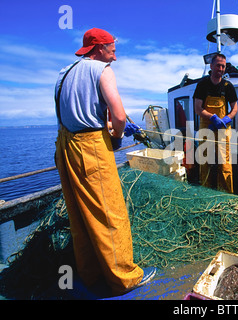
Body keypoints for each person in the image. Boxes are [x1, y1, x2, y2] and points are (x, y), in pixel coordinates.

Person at [54, 28, 156, 295]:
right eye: (112, 49)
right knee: (110, 212)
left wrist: (107, 123)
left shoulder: (63, 73)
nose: (115, 56)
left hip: (65, 147)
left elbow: (77, 113)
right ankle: (124, 278)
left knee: (80, 215)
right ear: (98, 48)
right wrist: (117, 136)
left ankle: (91, 274)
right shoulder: (101, 70)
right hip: (91, 148)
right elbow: (119, 117)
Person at [193, 53, 238, 193]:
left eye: (223, 66)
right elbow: (198, 108)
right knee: (205, 162)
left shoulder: (228, 86)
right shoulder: (202, 85)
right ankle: (205, 192)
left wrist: (226, 119)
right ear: (211, 66)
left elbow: (235, 108)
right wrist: (212, 117)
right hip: (206, 126)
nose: (221, 68)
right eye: (218, 65)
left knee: (224, 164)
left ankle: (227, 195)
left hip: (223, 128)